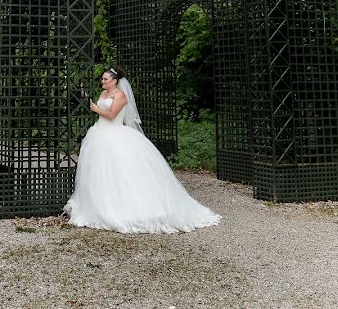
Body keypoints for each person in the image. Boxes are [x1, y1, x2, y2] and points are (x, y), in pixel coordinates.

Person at [63, 66, 221, 233]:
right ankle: (97, 204)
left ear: (114, 81)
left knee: (121, 171)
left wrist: (95, 109)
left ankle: (126, 207)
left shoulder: (120, 96)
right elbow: (103, 111)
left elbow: (111, 115)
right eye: (102, 79)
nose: (102, 81)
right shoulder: (104, 94)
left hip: (115, 133)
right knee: (100, 172)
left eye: (105, 79)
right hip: (99, 134)